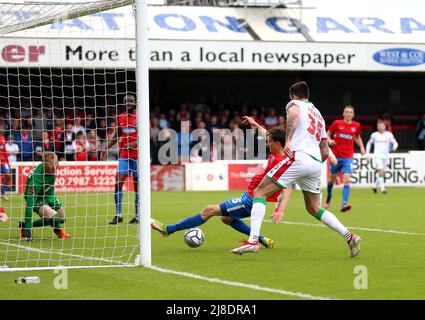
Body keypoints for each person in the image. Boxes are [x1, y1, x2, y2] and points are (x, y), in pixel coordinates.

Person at [230, 82, 361, 257]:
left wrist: (289, 141)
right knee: (314, 208)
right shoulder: (319, 115)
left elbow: (293, 115)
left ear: (293, 95)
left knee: (260, 192)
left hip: (299, 157)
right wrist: (312, 166)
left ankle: (253, 241)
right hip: (315, 162)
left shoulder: (294, 105)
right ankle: (349, 236)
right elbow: (324, 149)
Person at [151, 122, 292, 249]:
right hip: (248, 195)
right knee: (227, 218)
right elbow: (268, 134)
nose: (267, 144)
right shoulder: (276, 151)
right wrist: (255, 123)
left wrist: (281, 210)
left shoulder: (281, 162)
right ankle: (262, 239)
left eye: (269, 142)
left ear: (278, 143)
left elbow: (288, 186)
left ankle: (168, 229)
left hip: (250, 200)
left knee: (208, 210)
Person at [101, 94, 139, 225]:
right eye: (126, 101)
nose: (128, 103)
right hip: (124, 156)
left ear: (135, 103)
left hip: (139, 158)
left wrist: (133, 144)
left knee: (138, 187)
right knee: (118, 183)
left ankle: (138, 215)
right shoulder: (121, 117)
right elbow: (116, 135)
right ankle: (118, 215)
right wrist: (106, 148)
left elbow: (146, 136)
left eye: (131, 101)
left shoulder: (140, 117)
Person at [18, 152, 70, 241]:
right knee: (54, 218)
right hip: (37, 197)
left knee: (62, 218)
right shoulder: (36, 180)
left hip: (49, 193)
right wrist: (29, 233)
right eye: (50, 164)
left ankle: (24, 225)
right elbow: (29, 207)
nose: (54, 167)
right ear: (44, 164)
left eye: (56, 163)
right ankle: (58, 231)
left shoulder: (53, 168)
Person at [325, 105, 365, 212]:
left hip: (348, 157)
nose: (348, 114)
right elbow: (327, 134)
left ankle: (344, 204)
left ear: (353, 114)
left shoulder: (356, 125)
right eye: (346, 112)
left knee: (347, 180)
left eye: (350, 112)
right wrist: (329, 141)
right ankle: (329, 197)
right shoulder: (337, 123)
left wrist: (361, 146)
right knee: (331, 180)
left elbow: (357, 136)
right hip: (336, 157)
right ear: (343, 113)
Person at [365, 120, 399, 194]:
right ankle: (383, 189)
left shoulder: (389, 135)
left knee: (382, 172)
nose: (381, 127)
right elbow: (369, 144)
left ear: (385, 127)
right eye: (379, 126)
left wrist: (395, 146)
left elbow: (394, 142)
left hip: (386, 156)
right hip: (377, 156)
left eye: (382, 126)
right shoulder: (374, 135)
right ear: (377, 127)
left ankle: (374, 186)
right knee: (381, 171)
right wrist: (367, 154)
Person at [0, 134, 11, 200]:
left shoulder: (2, 138)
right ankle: (3, 194)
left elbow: (4, 151)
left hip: (3, 161)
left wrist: (7, 162)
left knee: (8, 175)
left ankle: (3, 191)